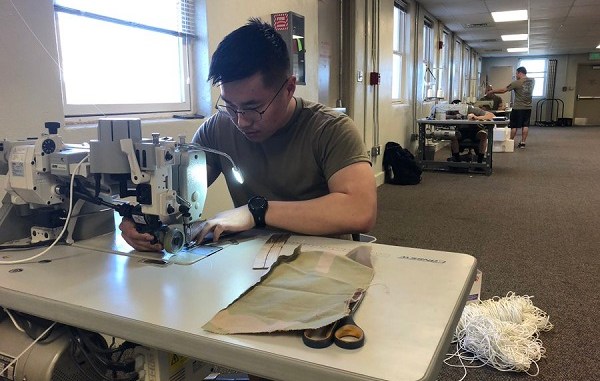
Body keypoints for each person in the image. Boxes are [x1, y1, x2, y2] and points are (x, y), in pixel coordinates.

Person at [119, 18, 377, 252]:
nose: (241, 120)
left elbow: (360, 211)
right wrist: (139, 218)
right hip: (251, 258)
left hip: (322, 259)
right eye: (230, 105)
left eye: (254, 108)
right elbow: (177, 192)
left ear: (288, 88)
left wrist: (257, 211)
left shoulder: (330, 129)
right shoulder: (216, 129)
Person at [486, 67, 534, 148]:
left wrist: (492, 91)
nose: (516, 75)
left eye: (516, 73)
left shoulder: (517, 82)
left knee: (514, 126)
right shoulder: (532, 81)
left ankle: (511, 142)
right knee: (525, 125)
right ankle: (523, 143)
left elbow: (503, 90)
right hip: (528, 107)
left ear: (520, 73)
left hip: (518, 107)